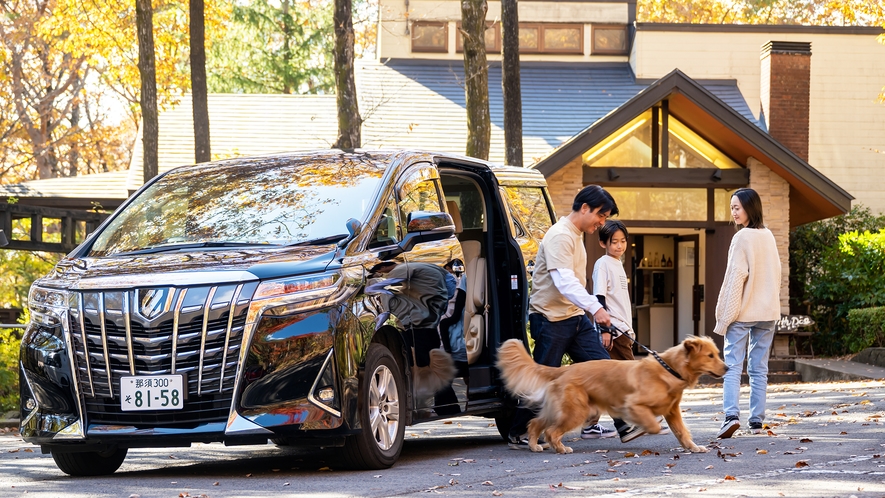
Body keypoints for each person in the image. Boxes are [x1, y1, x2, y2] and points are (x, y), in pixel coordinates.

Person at [507, 185, 645, 448]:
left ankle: (625, 425)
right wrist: (597, 308)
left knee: (604, 369)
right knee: (545, 379)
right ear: (584, 208)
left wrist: (588, 311)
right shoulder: (560, 235)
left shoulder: (576, 234)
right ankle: (520, 432)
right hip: (550, 319)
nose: (602, 223)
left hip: (574, 317)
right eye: (600, 216)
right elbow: (565, 282)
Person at [713, 188, 781, 438]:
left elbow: (734, 279)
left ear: (750, 208)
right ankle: (756, 421)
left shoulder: (742, 238)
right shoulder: (769, 236)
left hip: (743, 313)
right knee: (759, 368)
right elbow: (777, 274)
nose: (733, 212)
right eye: (732, 207)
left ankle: (731, 416)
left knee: (732, 366)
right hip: (768, 311)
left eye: (737, 207)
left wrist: (724, 317)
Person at [591, 220, 669, 437]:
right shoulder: (603, 264)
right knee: (633, 377)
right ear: (602, 243)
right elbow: (599, 297)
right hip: (615, 330)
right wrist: (605, 330)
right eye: (614, 242)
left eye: (623, 241)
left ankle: (591, 423)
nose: (619, 245)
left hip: (624, 330)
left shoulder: (617, 263)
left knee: (613, 379)